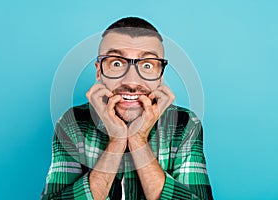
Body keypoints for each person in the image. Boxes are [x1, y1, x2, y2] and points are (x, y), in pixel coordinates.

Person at [41, 17, 213, 200]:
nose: (131, 82)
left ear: (160, 75)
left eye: (147, 65)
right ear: (99, 71)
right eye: (116, 63)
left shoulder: (184, 125)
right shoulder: (72, 123)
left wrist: (138, 140)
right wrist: (116, 141)